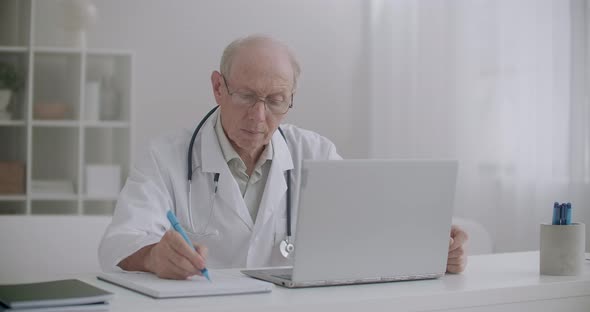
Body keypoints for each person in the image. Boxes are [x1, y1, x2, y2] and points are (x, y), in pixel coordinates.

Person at [98, 35, 468, 280]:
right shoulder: (165, 157)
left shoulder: (316, 154)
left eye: (275, 101)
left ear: (290, 98)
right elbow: (119, 241)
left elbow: (366, 231)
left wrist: (433, 252)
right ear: (218, 88)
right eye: (245, 96)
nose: (259, 117)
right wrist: (152, 258)